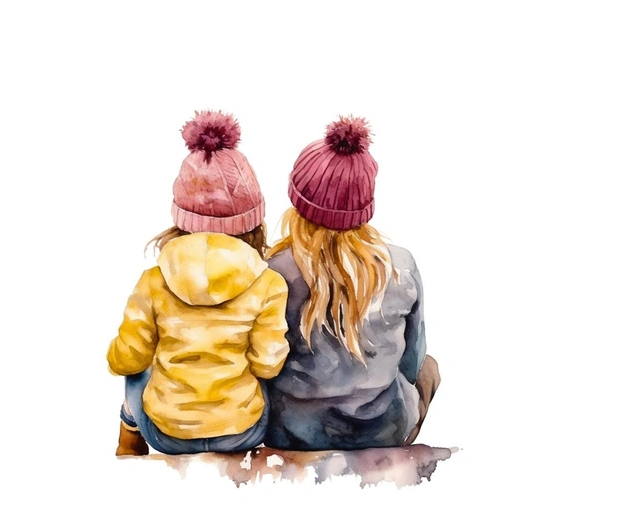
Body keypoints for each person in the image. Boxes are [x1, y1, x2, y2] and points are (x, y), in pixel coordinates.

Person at [107, 111, 289, 456]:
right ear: (253, 221)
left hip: (166, 434)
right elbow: (268, 365)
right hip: (243, 432)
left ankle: (129, 439)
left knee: (137, 371)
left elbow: (125, 360)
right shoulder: (268, 284)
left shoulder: (153, 281)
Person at [264, 116, 440, 451]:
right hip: (383, 429)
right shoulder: (401, 266)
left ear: (297, 199)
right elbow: (413, 361)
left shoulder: (273, 270)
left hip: (290, 431)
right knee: (430, 367)